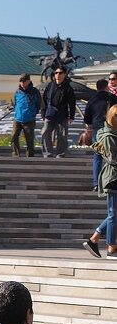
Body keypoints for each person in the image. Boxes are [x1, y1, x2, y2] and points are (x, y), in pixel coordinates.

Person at [83, 105, 117, 259]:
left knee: (114, 214)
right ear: (113, 117)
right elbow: (112, 158)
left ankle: (94, 239)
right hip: (113, 178)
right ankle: (111, 248)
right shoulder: (109, 136)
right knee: (113, 215)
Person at [80, 79, 117, 190]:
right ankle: (110, 178)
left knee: (97, 157)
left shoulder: (92, 100)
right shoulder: (113, 98)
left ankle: (96, 183)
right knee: (112, 155)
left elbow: (87, 118)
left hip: (97, 130)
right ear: (106, 87)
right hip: (110, 129)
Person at [40, 67, 78, 158]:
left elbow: (72, 103)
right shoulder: (50, 86)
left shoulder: (67, 88)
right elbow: (44, 100)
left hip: (62, 115)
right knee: (45, 132)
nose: (58, 75)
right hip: (50, 114)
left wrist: (71, 116)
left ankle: (60, 153)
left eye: (60, 73)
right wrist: (43, 113)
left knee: (62, 135)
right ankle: (48, 152)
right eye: (56, 73)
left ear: (64, 75)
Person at [9, 74, 41, 158]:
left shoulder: (34, 92)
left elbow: (39, 104)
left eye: (24, 81)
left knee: (29, 140)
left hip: (29, 119)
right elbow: (16, 104)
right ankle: (16, 155)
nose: (22, 83)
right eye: (21, 81)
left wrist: (33, 113)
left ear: (29, 81)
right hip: (18, 118)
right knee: (14, 136)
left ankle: (29, 157)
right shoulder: (17, 91)